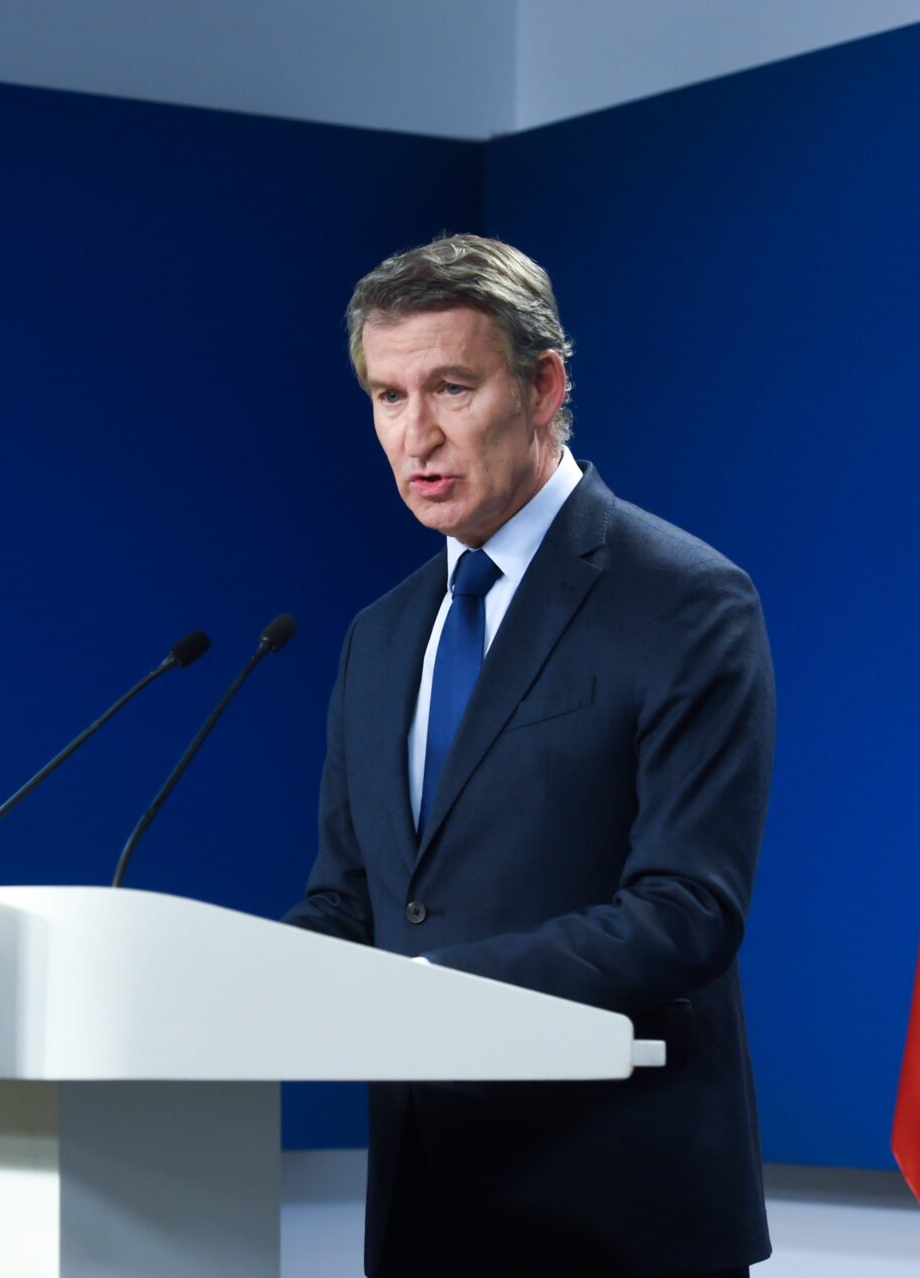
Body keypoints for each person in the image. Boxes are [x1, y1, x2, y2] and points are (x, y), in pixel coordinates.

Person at [284, 233, 775, 1277]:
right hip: (423, 1211)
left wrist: (430, 991)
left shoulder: (683, 599)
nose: (416, 434)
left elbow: (687, 911)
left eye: (451, 388)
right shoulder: (380, 636)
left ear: (543, 386)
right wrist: (238, 981)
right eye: (388, 396)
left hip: (619, 1213)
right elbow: (349, 900)